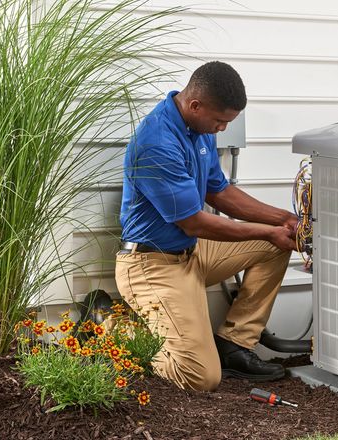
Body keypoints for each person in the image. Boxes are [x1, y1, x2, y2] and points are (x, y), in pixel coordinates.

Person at [114, 61, 298, 391]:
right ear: (195, 105)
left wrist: (283, 220)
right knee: (200, 377)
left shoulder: (198, 130)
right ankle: (114, 333)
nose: (222, 129)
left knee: (273, 246)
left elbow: (220, 191)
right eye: (219, 120)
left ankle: (236, 345)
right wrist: (267, 229)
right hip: (151, 265)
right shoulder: (156, 143)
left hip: (191, 254)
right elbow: (194, 222)